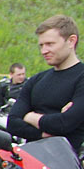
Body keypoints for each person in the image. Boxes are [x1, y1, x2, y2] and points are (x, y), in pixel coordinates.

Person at [8, 15, 84, 151]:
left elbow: (64, 124)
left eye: (50, 44)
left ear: (71, 41)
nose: (44, 51)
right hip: (32, 162)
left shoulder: (81, 77)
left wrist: (29, 116)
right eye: (41, 45)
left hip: (68, 165)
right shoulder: (36, 80)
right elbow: (12, 122)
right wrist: (43, 132)